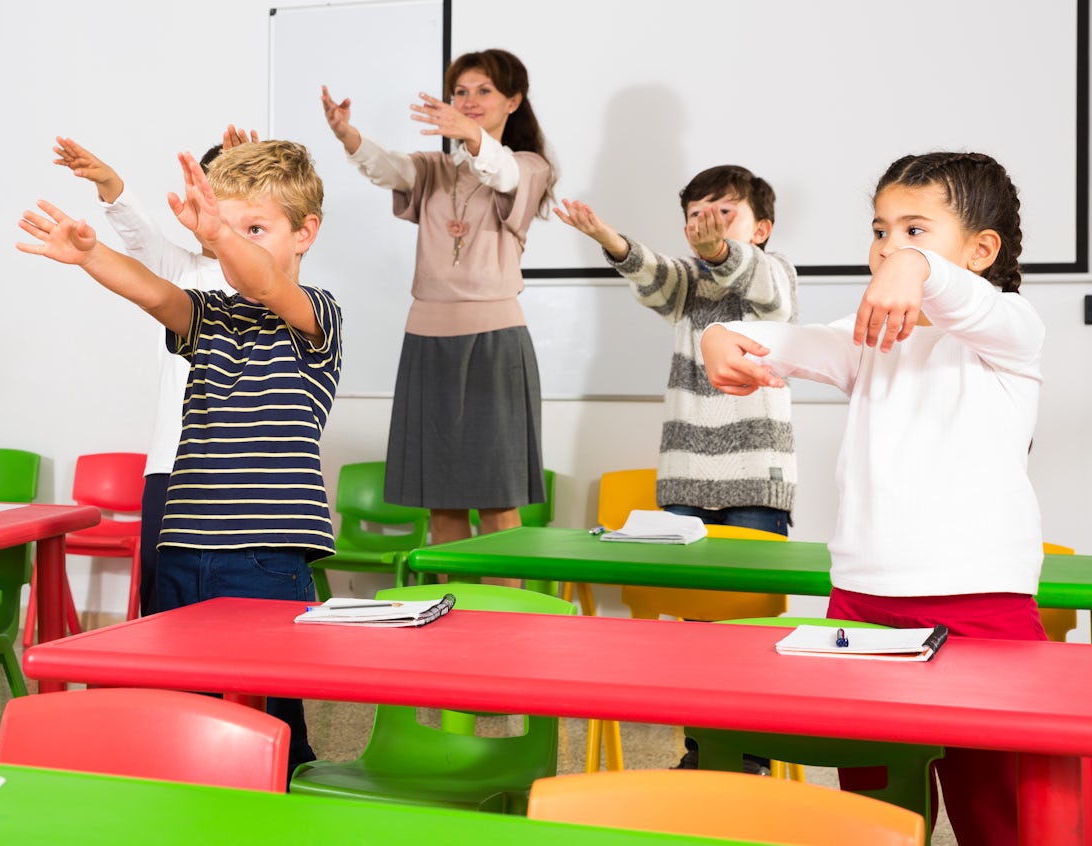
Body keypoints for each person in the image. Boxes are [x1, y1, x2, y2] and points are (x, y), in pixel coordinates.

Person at [702, 151, 1040, 845]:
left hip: (983, 610)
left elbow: (964, 300)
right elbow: (775, 340)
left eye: (915, 230)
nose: (888, 249)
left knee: (1000, 820)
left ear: (980, 250)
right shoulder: (869, 340)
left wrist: (915, 269)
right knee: (879, 822)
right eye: (881, 231)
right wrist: (718, 335)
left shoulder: (1012, 331)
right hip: (862, 609)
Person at [17, 140, 340, 774]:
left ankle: (283, 804)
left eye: (257, 227)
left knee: (267, 721)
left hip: (264, 558)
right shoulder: (208, 316)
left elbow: (263, 279)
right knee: (177, 710)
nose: (234, 242)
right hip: (182, 548)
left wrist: (219, 233)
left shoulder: (315, 318)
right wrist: (91, 256)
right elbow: (155, 293)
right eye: (230, 224)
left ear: (306, 234)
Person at [321, 48, 555, 545]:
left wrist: (471, 135)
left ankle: (496, 618)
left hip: (494, 342)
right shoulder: (435, 168)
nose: (468, 101)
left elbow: (502, 174)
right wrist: (348, 134)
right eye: (460, 92)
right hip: (427, 340)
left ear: (513, 101)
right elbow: (389, 168)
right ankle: (454, 615)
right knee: (441, 497)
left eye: (483, 91)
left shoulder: (528, 167)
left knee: (497, 497)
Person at [49, 128, 250, 609]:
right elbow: (140, 235)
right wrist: (111, 183)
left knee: (238, 601)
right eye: (208, 197)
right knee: (164, 598)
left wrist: (260, 175)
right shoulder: (181, 271)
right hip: (172, 465)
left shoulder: (273, 284)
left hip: (241, 474)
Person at [555, 166, 798, 534]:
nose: (707, 222)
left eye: (724, 212)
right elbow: (653, 271)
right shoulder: (686, 281)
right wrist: (611, 240)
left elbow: (764, 285)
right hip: (684, 477)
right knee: (682, 588)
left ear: (761, 229)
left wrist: (718, 252)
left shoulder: (777, 272)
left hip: (757, 481)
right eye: (696, 215)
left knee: (746, 590)